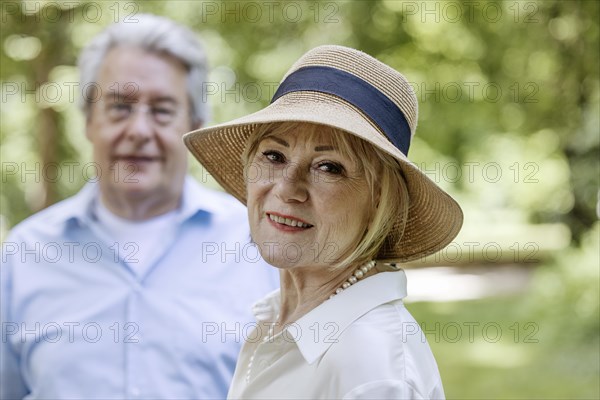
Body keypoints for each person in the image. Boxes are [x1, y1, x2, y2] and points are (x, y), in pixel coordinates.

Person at [1, 14, 278, 399]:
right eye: (119, 107)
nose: (139, 131)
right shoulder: (23, 254)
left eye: (162, 110)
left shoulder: (260, 246)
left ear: (195, 124)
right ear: (87, 120)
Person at [184, 45, 464, 399]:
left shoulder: (371, 371)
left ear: (380, 198)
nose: (288, 188)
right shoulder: (282, 320)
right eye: (274, 155)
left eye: (329, 167)